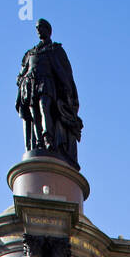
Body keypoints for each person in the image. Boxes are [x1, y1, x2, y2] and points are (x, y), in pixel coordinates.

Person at [16, 19, 83, 167]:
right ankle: (38, 141)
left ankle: (48, 138)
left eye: (42, 28)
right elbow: (20, 74)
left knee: (44, 107)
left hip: (47, 85)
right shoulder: (30, 53)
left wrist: (68, 92)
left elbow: (64, 72)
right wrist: (24, 80)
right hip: (32, 87)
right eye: (37, 28)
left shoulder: (55, 49)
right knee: (34, 114)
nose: (39, 30)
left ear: (48, 30)